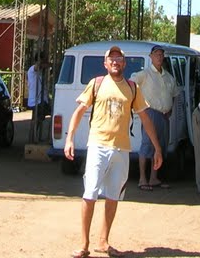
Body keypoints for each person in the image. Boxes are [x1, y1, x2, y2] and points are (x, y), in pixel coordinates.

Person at [64, 45, 162, 258]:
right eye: (112, 58)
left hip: (121, 150)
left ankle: (103, 241)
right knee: (90, 194)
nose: (116, 61)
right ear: (105, 64)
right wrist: (69, 139)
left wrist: (157, 148)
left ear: (124, 64)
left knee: (113, 196)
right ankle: (84, 243)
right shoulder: (96, 84)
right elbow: (79, 112)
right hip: (98, 146)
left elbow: (145, 119)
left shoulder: (133, 88)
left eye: (119, 58)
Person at [132, 44, 180, 191]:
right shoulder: (145, 74)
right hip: (151, 113)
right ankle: (142, 179)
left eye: (161, 54)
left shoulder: (169, 77)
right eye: (156, 54)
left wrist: (170, 108)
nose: (159, 57)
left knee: (160, 146)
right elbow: (131, 83)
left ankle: (153, 178)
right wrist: (138, 105)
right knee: (147, 145)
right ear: (151, 57)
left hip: (165, 115)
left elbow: (175, 94)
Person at [27, 54, 50, 140]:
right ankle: (33, 138)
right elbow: (38, 65)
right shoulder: (32, 69)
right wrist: (41, 61)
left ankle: (35, 137)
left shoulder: (40, 72)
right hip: (35, 100)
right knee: (36, 120)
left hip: (41, 99)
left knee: (39, 119)